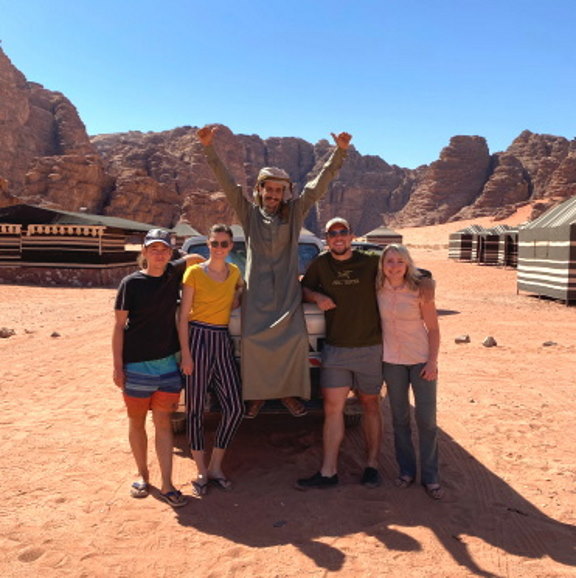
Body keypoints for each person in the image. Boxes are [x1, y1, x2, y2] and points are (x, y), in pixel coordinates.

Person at [197, 125, 352, 419]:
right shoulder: (250, 214)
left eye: (279, 190)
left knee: (294, 342)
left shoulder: (294, 213)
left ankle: (286, 394)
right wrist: (208, 149)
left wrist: (339, 154)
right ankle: (256, 398)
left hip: (286, 294)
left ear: (284, 193)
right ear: (260, 190)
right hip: (256, 296)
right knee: (253, 345)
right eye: (269, 189)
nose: (274, 194)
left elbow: (317, 187)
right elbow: (228, 184)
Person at [112, 228, 201, 508]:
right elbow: (119, 327)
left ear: (171, 253)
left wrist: (186, 259)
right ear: (145, 252)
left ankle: (167, 484)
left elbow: (198, 257)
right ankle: (142, 475)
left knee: (163, 425)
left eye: (165, 249)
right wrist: (117, 367)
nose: (159, 253)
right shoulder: (130, 284)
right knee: (137, 423)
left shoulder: (173, 274)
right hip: (136, 366)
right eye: (154, 249)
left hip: (167, 367)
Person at [296, 217, 384, 490]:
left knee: (370, 404)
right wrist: (316, 297)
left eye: (342, 232)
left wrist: (424, 286)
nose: (338, 237)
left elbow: (401, 270)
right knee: (333, 408)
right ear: (326, 238)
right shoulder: (321, 264)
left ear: (351, 235)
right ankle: (328, 472)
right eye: (332, 233)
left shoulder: (370, 261)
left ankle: (372, 466)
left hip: (370, 347)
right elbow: (302, 288)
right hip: (336, 349)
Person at [178, 224, 244, 496]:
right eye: (215, 243)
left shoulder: (235, 272)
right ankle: (201, 470)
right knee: (194, 409)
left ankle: (216, 465)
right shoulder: (194, 272)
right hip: (197, 337)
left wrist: (239, 294)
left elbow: (237, 295)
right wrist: (186, 353)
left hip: (221, 339)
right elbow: (183, 315)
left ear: (230, 247)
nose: (219, 248)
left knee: (235, 407)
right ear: (208, 244)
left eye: (224, 244)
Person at [376, 244, 443, 500]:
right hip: (391, 361)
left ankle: (431, 476)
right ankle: (406, 471)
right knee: (399, 419)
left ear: (407, 265)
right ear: (382, 265)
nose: (394, 266)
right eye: (389, 261)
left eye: (399, 261)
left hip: (420, 360)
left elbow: (434, 329)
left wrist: (432, 362)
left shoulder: (419, 290)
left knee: (427, 421)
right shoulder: (377, 289)